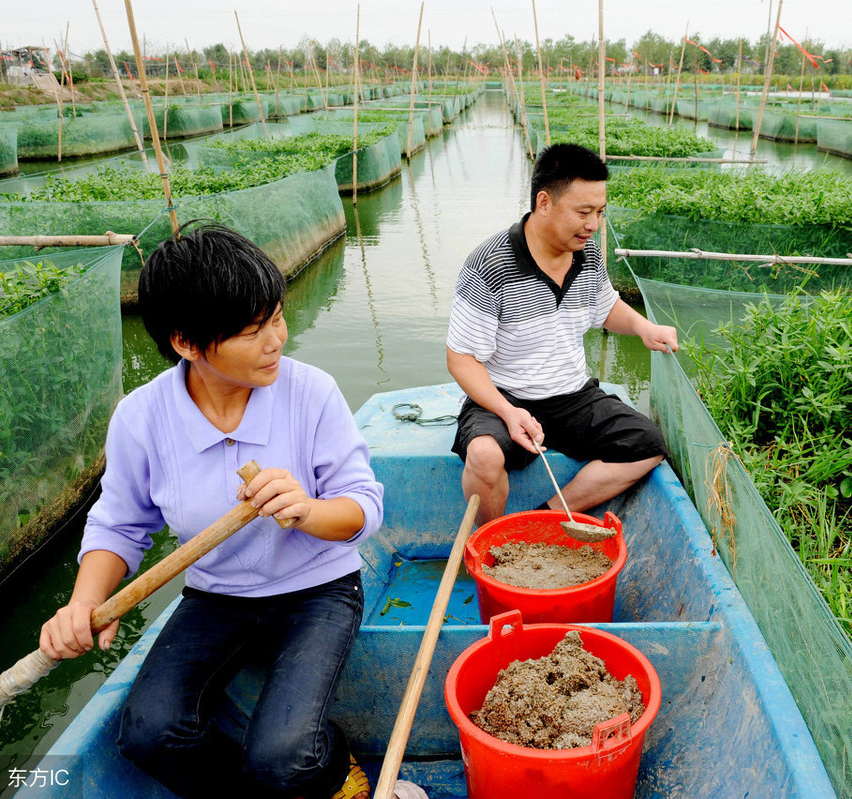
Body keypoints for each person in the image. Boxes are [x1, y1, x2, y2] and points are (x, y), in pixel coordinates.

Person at [38, 224, 384, 799]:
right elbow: (121, 524)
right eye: (253, 331)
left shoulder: (312, 392)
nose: (277, 339)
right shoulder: (141, 417)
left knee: (284, 757)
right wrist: (83, 602)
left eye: (277, 317)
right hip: (216, 596)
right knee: (149, 735)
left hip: (318, 590)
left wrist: (306, 510)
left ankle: (328, 767)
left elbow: (362, 509)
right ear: (186, 343)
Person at [446, 143, 679, 526]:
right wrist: (508, 411)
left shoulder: (587, 254)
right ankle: (492, 539)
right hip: (503, 396)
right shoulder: (490, 263)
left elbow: (604, 307)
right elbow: (461, 359)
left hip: (572, 395)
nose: (594, 225)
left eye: (600, 212)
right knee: (485, 455)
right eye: (583, 212)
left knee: (647, 445)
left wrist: (643, 327)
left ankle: (546, 517)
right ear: (544, 202)